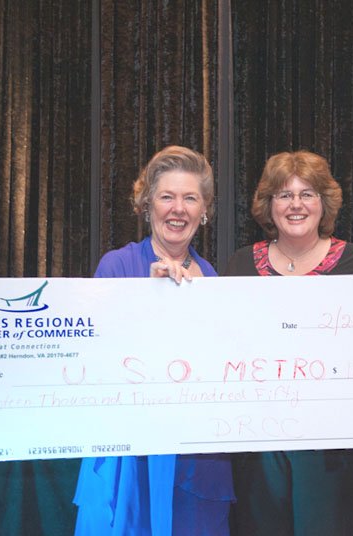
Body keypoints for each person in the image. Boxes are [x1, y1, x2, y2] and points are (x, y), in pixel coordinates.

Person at [73, 146, 235, 535]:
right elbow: (91, 360)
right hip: (130, 460)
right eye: (167, 197)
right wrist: (147, 299)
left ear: (204, 211)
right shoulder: (118, 266)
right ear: (147, 205)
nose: (178, 208)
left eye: (190, 198)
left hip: (199, 462)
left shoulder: (214, 280)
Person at [224, 150, 353, 536]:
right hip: (258, 450)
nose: (295, 205)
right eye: (283, 195)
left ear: (324, 202)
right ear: (268, 205)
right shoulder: (239, 265)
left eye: (307, 194)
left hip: (333, 452)